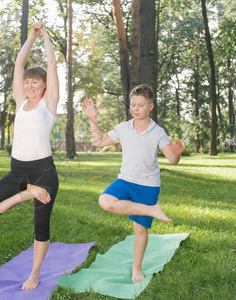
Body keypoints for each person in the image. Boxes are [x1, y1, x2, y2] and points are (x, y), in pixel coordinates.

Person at [0, 19, 59, 291]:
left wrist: (45, 34)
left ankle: (35, 273)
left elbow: (51, 64)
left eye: (35, 83)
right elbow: (18, 63)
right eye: (26, 83)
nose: (29, 87)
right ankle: (27, 193)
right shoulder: (21, 102)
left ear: (45, 86)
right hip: (19, 173)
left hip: (43, 172)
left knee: (41, 227)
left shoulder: (49, 105)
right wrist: (32, 36)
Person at [82, 84, 184, 284]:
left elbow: (172, 159)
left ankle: (136, 267)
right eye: (133, 105)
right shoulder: (123, 128)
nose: (136, 109)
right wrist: (93, 119)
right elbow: (99, 142)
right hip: (125, 181)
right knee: (105, 201)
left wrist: (177, 154)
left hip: (148, 185)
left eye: (141, 105)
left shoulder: (158, 132)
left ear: (150, 106)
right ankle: (151, 209)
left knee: (139, 230)